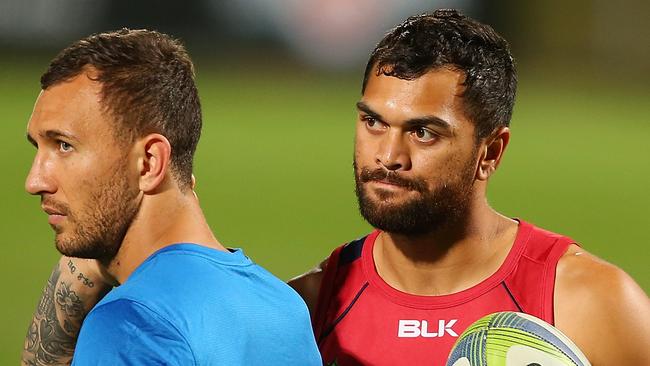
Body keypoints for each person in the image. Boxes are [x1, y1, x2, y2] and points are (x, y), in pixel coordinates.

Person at [287, 9, 650, 365]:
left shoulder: (586, 302)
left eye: (423, 133)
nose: (389, 156)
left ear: (490, 151)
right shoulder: (308, 309)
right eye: (374, 122)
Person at [20, 29, 320, 366]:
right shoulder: (283, 307)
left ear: (149, 162)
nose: (35, 181)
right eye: (38, 148)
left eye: (64, 146)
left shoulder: (130, 326)